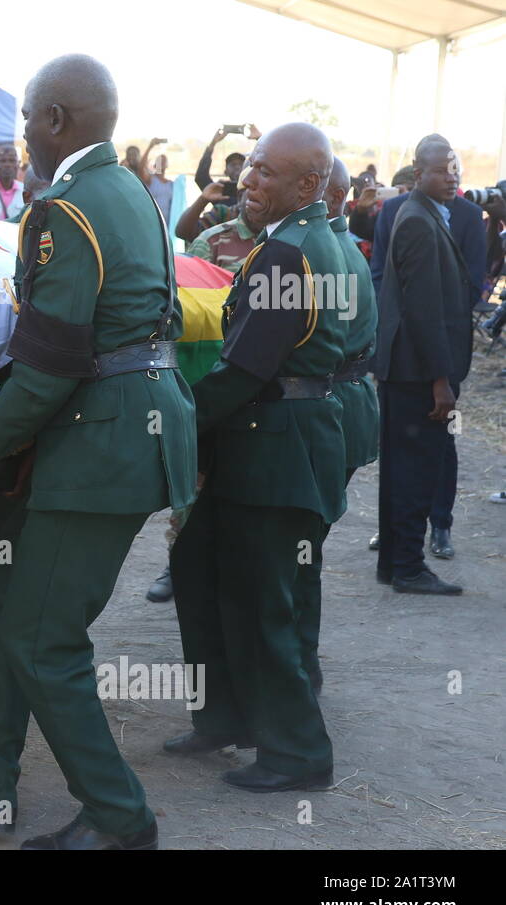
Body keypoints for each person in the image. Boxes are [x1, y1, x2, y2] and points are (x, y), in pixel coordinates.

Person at [0, 54, 196, 850]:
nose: (22, 133)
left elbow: (54, 361)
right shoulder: (129, 189)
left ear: (55, 120)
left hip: (100, 444)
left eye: (27, 118)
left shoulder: (67, 207)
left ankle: (119, 818)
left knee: (41, 635)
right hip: (113, 430)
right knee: (3, 601)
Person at [167, 122, 347, 795]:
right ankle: (223, 717)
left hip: (273, 446)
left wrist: (173, 421)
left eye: (267, 172)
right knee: (199, 565)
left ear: (309, 184)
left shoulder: (286, 254)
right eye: (252, 169)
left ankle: (298, 753)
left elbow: (243, 370)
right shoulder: (310, 242)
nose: (249, 180)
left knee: (261, 601)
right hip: (274, 436)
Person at [365, 140, 485, 562]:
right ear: (419, 174)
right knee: (409, 459)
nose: (452, 175)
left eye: (456, 167)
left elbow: (470, 283)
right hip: (420, 363)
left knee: (435, 449)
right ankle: (403, 556)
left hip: (437, 356)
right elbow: (403, 292)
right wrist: (438, 373)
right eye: (442, 169)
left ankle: (436, 530)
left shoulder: (467, 216)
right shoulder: (408, 216)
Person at [293, 156, 380, 692]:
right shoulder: (340, 248)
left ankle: (300, 670)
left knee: (296, 552)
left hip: (331, 407)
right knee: (304, 549)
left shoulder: (325, 254)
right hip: (348, 405)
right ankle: (302, 665)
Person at [194, 125, 256, 208]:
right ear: (225, 171)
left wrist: (259, 138)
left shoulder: (255, 188)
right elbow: (201, 176)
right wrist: (212, 144)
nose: (237, 167)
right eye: (233, 164)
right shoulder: (219, 190)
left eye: (241, 164)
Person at [136, 137, 172, 221]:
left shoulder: (171, 184)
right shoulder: (150, 179)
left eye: (164, 160)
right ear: (155, 165)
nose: (162, 161)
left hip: (167, 225)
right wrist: (150, 146)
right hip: (152, 221)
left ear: (167, 165)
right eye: (159, 160)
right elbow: (141, 167)